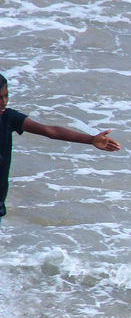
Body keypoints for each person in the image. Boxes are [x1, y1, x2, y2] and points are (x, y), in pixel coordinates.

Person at [0, 72, 122, 220]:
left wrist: (91, 140)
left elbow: (50, 131)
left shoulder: (8, 117)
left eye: (6, 96)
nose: (4, 102)